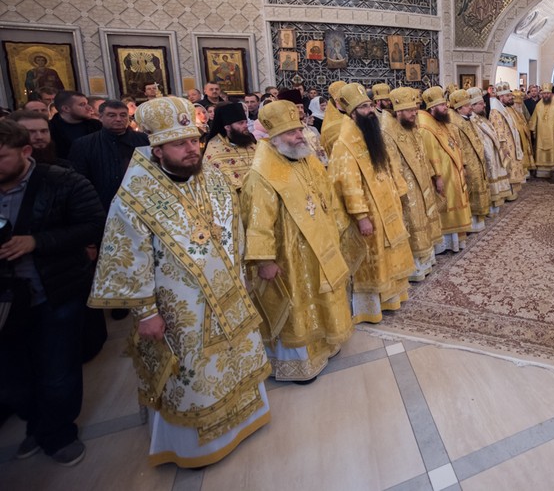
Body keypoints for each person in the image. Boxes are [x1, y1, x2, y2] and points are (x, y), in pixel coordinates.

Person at [88, 97, 271, 467]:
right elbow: (129, 257)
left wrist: (241, 275)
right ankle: (195, 446)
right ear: (157, 150)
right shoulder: (135, 194)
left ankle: (246, 419)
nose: (191, 150)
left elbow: (232, 231)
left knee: (236, 353)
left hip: (228, 291)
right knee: (191, 370)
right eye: (179, 144)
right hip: (178, 305)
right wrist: (145, 313)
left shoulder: (211, 177)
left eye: (193, 141)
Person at [0, 120, 105, 467]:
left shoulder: (61, 180)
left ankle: (59, 433)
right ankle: (35, 424)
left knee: (58, 369)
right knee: (12, 375)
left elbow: (93, 223)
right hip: (4, 301)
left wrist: (37, 241)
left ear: (25, 151)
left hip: (54, 290)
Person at [242, 100, 355, 382]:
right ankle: (299, 364)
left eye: (299, 129)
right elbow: (257, 221)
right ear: (274, 138)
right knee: (297, 305)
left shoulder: (306, 158)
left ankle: (327, 343)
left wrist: (340, 228)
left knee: (323, 296)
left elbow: (327, 196)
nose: (299, 136)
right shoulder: (261, 174)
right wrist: (264, 260)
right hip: (289, 256)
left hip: (321, 246)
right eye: (291, 132)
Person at [329, 84, 415, 322]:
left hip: (386, 203)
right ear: (352, 112)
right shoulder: (345, 142)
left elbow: (388, 165)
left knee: (390, 253)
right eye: (363, 107)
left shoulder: (371, 133)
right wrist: (361, 216)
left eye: (369, 105)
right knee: (374, 259)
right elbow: (347, 183)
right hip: (369, 213)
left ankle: (391, 297)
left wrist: (398, 191)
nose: (369, 111)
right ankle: (370, 307)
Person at [382, 87, 443, 280]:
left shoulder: (411, 123)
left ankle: (426, 260)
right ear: (398, 110)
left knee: (425, 219)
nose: (414, 113)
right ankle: (415, 267)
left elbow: (422, 152)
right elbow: (391, 164)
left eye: (415, 109)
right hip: (406, 186)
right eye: (409, 110)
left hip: (422, 179)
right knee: (413, 222)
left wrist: (432, 175)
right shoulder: (387, 130)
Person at [418, 86, 472, 254]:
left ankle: (457, 240)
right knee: (446, 206)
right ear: (432, 108)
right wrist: (438, 177)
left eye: (444, 104)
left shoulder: (442, 122)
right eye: (441, 105)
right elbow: (431, 155)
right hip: (444, 175)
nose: (446, 107)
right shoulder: (426, 128)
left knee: (456, 202)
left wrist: (462, 165)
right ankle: (446, 243)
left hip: (453, 172)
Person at [68, 100, 149, 211]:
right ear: (100, 117)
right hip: (101, 204)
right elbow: (79, 178)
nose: (118, 119)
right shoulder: (84, 144)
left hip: (140, 201)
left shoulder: (144, 140)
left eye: (123, 115)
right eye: (112, 115)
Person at [449, 89, 491, 232]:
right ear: (459, 108)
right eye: (467, 105)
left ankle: (479, 219)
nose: (470, 107)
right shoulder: (455, 123)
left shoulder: (467, 118)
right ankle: (471, 222)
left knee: (480, 187)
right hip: (468, 163)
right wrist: (464, 165)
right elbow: (458, 146)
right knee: (472, 191)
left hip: (477, 159)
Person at [466, 88, 512, 211]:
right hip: (486, 157)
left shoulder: (482, 118)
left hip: (493, 154)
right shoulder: (471, 120)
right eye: (481, 104)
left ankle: (495, 204)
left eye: (483, 103)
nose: (484, 105)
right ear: (473, 106)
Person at [203, 102, 257, 194]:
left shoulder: (250, 142)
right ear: (227, 127)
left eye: (245, 122)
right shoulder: (215, 147)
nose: (245, 126)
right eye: (241, 123)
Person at [489, 82, 529, 195]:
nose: (511, 97)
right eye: (508, 96)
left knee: (513, 167)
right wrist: (503, 147)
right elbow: (498, 130)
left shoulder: (504, 108)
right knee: (508, 168)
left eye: (510, 95)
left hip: (511, 142)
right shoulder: (495, 111)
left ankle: (512, 191)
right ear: (501, 97)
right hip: (506, 145)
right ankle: (508, 192)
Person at [528, 84, 554, 178]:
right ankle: (541, 171)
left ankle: (552, 171)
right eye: (544, 93)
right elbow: (534, 119)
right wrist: (533, 131)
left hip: (552, 133)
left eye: (548, 93)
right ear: (541, 94)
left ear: (551, 94)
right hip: (540, 134)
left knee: (552, 149)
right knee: (540, 148)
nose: (546, 95)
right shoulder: (538, 106)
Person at [48, 91, 101, 160]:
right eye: (82, 104)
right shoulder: (49, 129)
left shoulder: (96, 125)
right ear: (66, 109)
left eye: (87, 103)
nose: (89, 107)